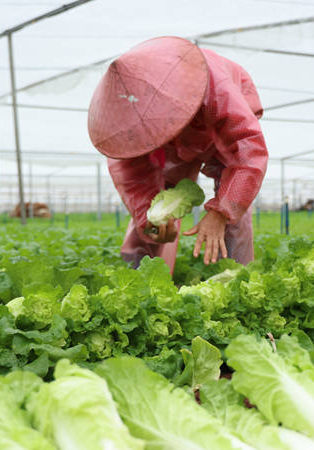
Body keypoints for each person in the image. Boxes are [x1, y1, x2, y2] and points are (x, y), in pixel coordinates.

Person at [87, 36, 268, 273]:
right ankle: (139, 276)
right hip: (173, 147)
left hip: (216, 128)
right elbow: (133, 178)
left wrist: (221, 213)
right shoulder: (126, 124)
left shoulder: (214, 85)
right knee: (160, 204)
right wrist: (149, 219)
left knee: (233, 198)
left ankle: (237, 277)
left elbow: (246, 152)